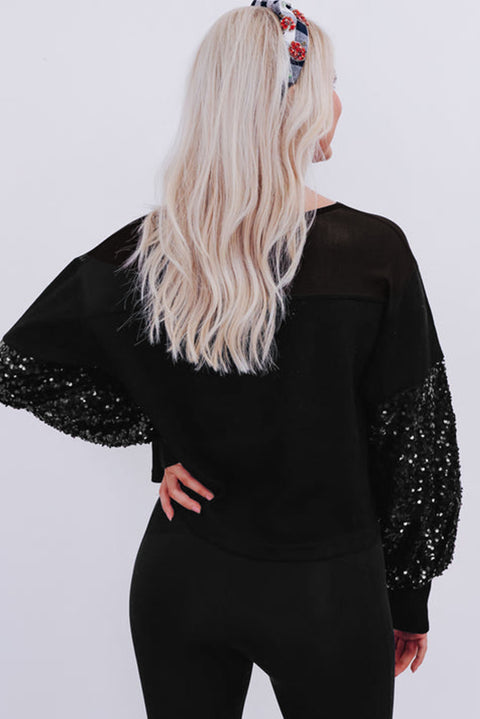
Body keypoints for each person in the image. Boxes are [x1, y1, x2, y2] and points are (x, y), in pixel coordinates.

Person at [0, 2, 462, 718]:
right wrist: (409, 597)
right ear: (298, 104)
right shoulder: (374, 254)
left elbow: (21, 364)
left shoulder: (153, 251)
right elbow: (415, 447)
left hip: (183, 573)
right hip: (326, 591)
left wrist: (167, 438)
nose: (338, 101)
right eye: (331, 83)